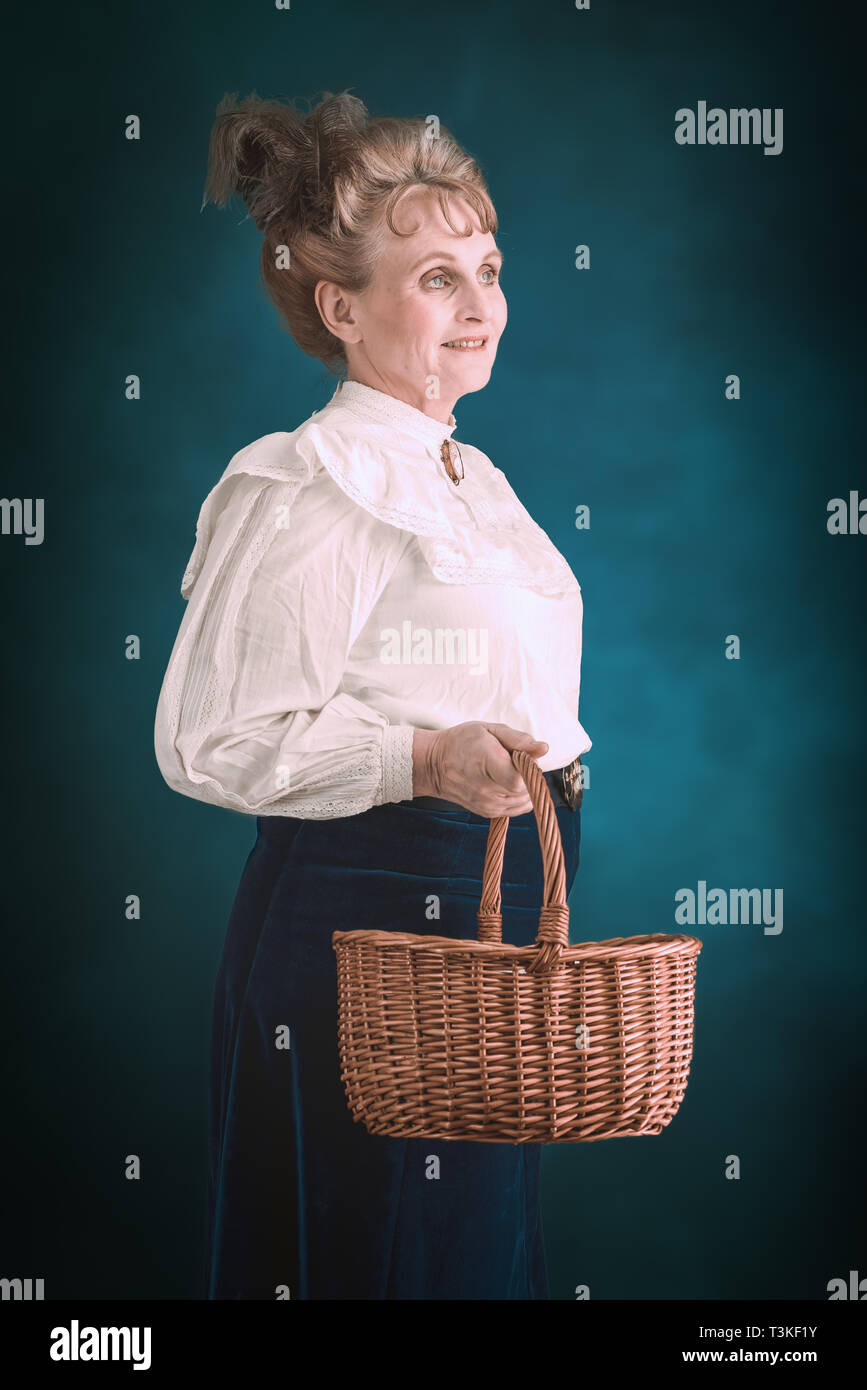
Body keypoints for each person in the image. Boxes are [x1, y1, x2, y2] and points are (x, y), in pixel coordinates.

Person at [154, 88, 592, 1300]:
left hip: (494, 910)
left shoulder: (472, 475)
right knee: (384, 1263)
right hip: (374, 920)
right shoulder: (309, 481)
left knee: (467, 1264)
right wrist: (421, 760)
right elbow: (212, 736)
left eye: (488, 267)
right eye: (437, 276)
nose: (481, 302)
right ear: (340, 307)